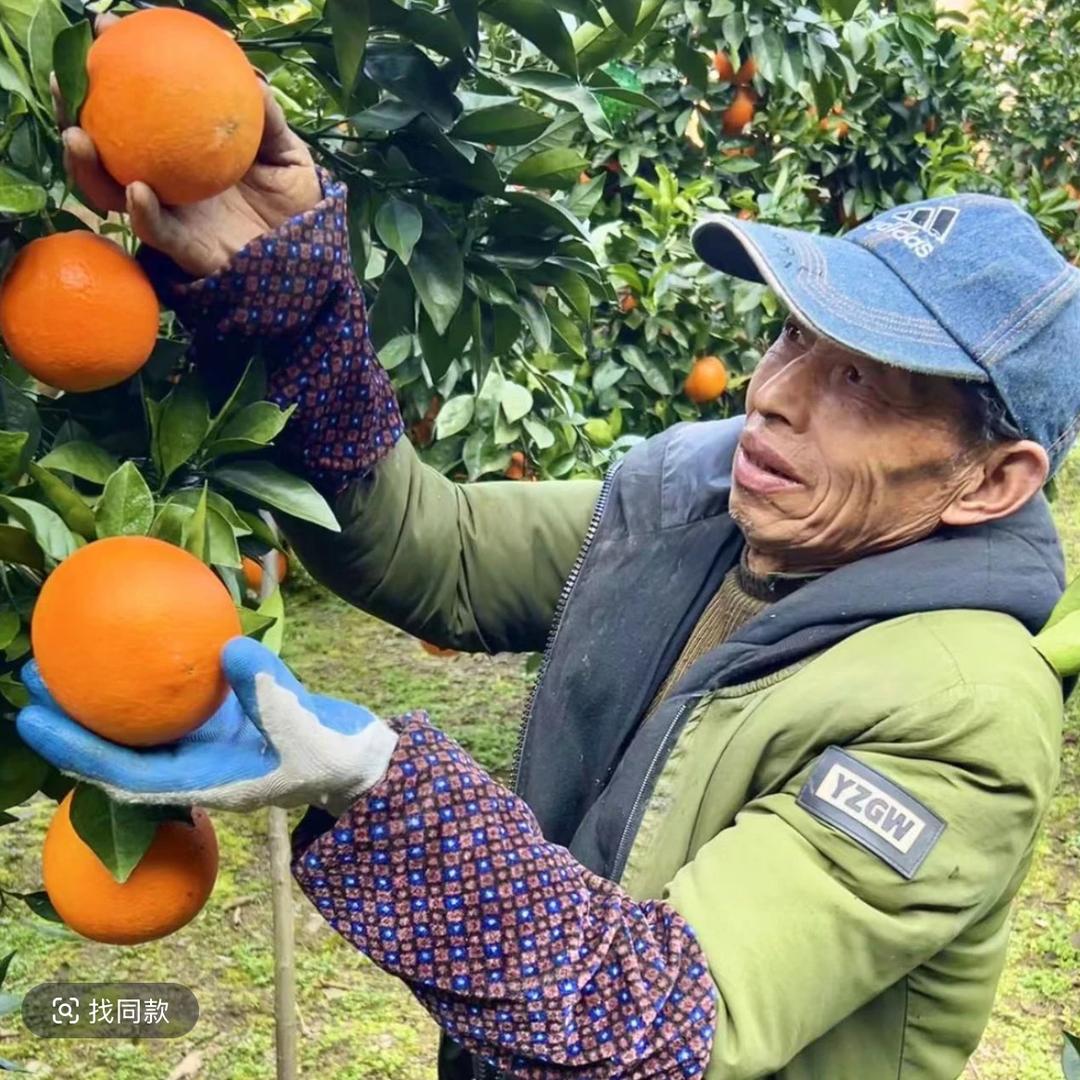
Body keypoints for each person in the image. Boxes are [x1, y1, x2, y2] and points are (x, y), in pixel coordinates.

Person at [17, 56, 1080, 1080]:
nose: (776, 394)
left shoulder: (965, 713)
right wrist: (290, 301)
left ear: (993, 480)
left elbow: (657, 1018)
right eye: (792, 339)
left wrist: (382, 788)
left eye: (863, 382)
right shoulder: (689, 508)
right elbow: (431, 551)